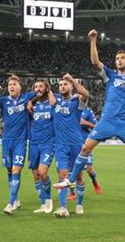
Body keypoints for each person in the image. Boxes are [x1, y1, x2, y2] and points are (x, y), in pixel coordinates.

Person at [54, 29, 125, 203]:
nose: (119, 60)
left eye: (122, 58)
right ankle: (70, 180)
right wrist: (93, 41)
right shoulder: (111, 75)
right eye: (117, 59)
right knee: (85, 149)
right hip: (107, 121)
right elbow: (95, 62)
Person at [0, 75, 35, 215]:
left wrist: (31, 102)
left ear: (20, 87)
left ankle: (10, 203)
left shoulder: (26, 97)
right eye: (10, 84)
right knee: (9, 171)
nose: (11, 86)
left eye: (14, 84)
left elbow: (40, 92)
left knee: (16, 170)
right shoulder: (3, 101)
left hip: (21, 141)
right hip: (6, 141)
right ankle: (16, 199)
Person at [52, 74, 89, 218]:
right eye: (60, 85)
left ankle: (79, 204)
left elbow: (86, 94)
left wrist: (72, 79)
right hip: (60, 145)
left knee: (79, 176)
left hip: (76, 144)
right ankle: (63, 208)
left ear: (71, 87)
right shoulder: (55, 102)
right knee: (62, 176)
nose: (62, 86)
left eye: (65, 84)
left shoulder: (77, 101)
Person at [28, 79, 56, 214]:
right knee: (35, 174)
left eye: (41, 86)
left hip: (48, 143)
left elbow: (53, 103)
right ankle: (43, 203)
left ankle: (49, 200)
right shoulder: (32, 105)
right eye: (36, 87)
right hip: (34, 143)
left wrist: (49, 91)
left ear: (46, 88)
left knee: (42, 172)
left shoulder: (51, 102)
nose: (38, 88)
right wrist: (30, 101)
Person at [68, 106, 102, 201]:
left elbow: (96, 126)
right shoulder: (70, 108)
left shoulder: (88, 111)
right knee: (72, 169)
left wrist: (85, 122)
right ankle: (72, 193)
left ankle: (95, 182)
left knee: (89, 169)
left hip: (85, 143)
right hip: (72, 142)